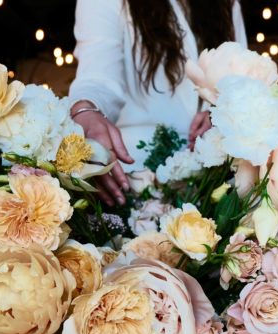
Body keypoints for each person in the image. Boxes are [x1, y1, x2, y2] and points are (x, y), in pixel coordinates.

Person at [69, 0, 247, 206]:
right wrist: (86, 109)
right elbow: (97, 77)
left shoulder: (227, 4)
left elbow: (240, 80)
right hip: (137, 182)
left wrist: (221, 112)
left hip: (217, 181)